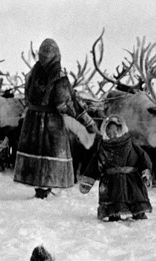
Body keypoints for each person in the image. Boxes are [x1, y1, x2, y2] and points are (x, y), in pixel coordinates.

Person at [14, 38, 96, 199]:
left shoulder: (31, 74)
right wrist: (87, 121)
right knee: (50, 154)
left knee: (36, 154)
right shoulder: (58, 76)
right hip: (51, 123)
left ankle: (39, 188)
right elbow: (64, 104)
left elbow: (27, 99)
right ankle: (46, 187)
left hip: (31, 122)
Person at [78, 116, 153, 222]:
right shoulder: (103, 148)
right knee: (112, 202)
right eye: (109, 130)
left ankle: (139, 213)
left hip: (131, 178)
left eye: (114, 130)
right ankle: (113, 214)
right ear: (105, 131)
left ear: (120, 129)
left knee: (136, 196)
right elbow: (94, 164)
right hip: (110, 181)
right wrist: (88, 181)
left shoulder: (131, 144)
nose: (112, 133)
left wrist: (146, 172)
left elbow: (143, 158)